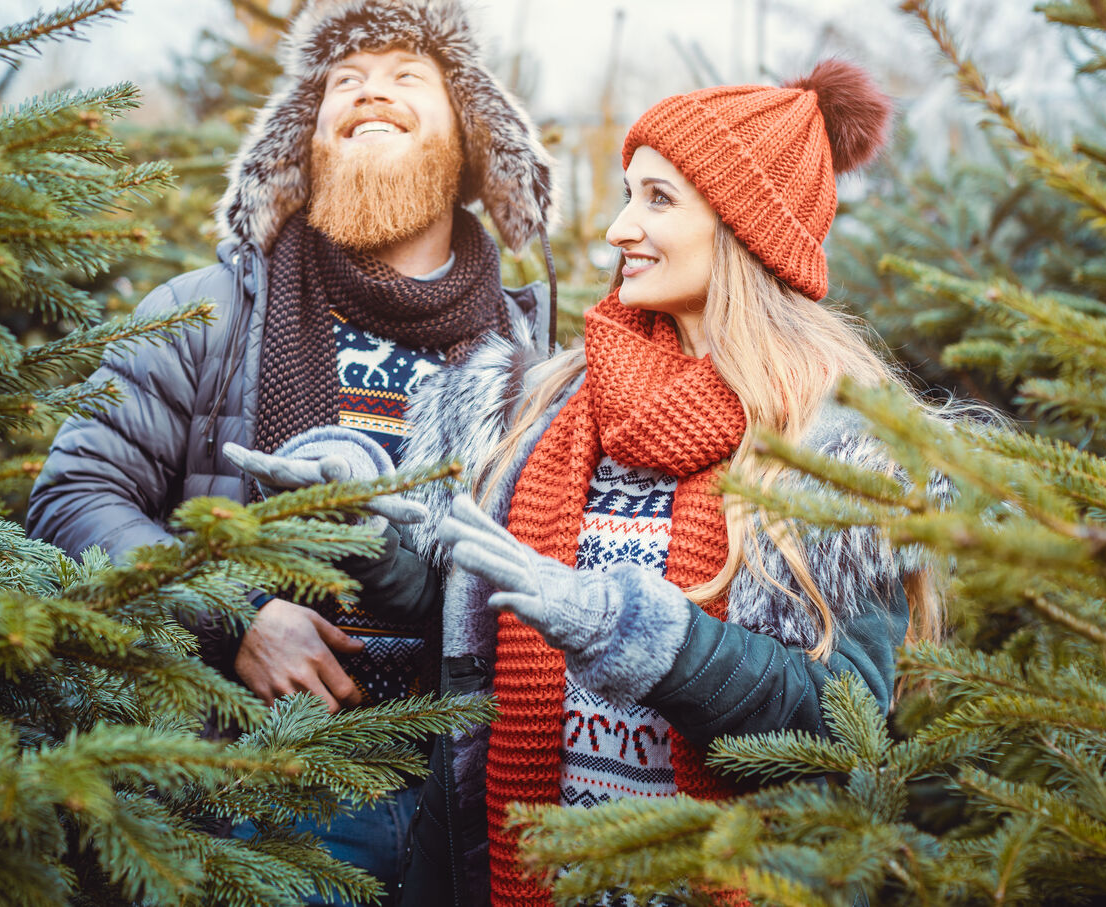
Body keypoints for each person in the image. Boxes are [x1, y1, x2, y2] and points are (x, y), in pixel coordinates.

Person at [245, 58, 941, 906]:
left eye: (658, 199)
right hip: (515, 870)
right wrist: (365, 523)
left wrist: (650, 640)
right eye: (627, 194)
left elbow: (847, 722)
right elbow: (478, 610)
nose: (618, 228)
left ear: (743, 225)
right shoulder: (547, 401)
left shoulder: (838, 447)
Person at [24, 0, 557, 902]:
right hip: (253, 785)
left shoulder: (531, 356)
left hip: (462, 796)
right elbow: (72, 496)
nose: (367, 93)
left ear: (471, 142)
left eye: (405, 77)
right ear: (302, 144)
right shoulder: (209, 312)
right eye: (342, 83)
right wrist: (229, 618)